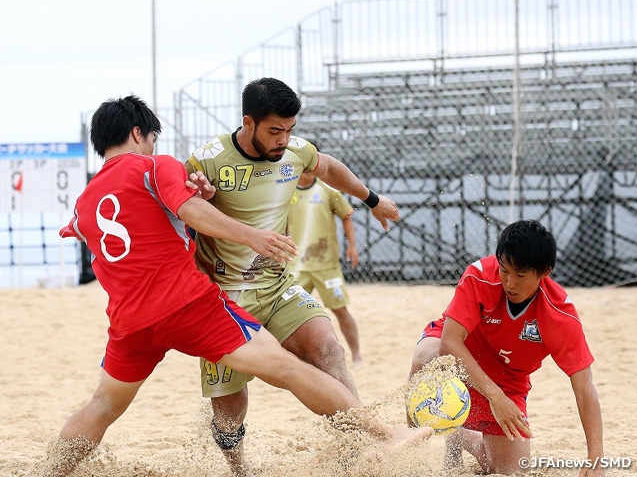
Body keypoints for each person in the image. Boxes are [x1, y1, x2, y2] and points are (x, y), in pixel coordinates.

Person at [43, 95, 432, 477]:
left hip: (130, 322)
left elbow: (108, 229)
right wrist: (250, 235)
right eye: (152, 139)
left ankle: (50, 472)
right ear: (137, 132)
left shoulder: (84, 202)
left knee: (102, 406)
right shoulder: (155, 166)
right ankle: (385, 434)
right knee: (288, 369)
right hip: (190, 306)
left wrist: (199, 196)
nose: (153, 146)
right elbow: (189, 210)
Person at [185, 77, 400, 476]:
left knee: (328, 349)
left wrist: (371, 199)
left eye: (290, 129)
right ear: (248, 123)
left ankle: (354, 447)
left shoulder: (295, 153)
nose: (284, 139)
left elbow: (330, 167)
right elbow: (183, 217)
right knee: (230, 410)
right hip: (224, 298)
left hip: (277, 285)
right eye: (274, 130)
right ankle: (239, 468)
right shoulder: (206, 161)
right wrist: (200, 198)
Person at [407, 220, 604, 476]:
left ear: (544, 272)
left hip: (508, 381)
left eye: (520, 275)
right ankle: (406, 447)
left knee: (508, 470)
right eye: (504, 270)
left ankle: (461, 436)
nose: (509, 283)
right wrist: (495, 397)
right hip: (459, 357)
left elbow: (584, 388)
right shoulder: (480, 275)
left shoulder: (560, 314)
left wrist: (595, 458)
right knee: (426, 357)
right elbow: (449, 342)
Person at [287, 171, 363, 366]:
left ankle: (356, 355)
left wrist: (352, 246)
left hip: (326, 265)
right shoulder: (286, 190)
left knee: (340, 309)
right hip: (297, 264)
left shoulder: (328, 190)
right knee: (289, 312)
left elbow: (346, 215)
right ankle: (294, 359)